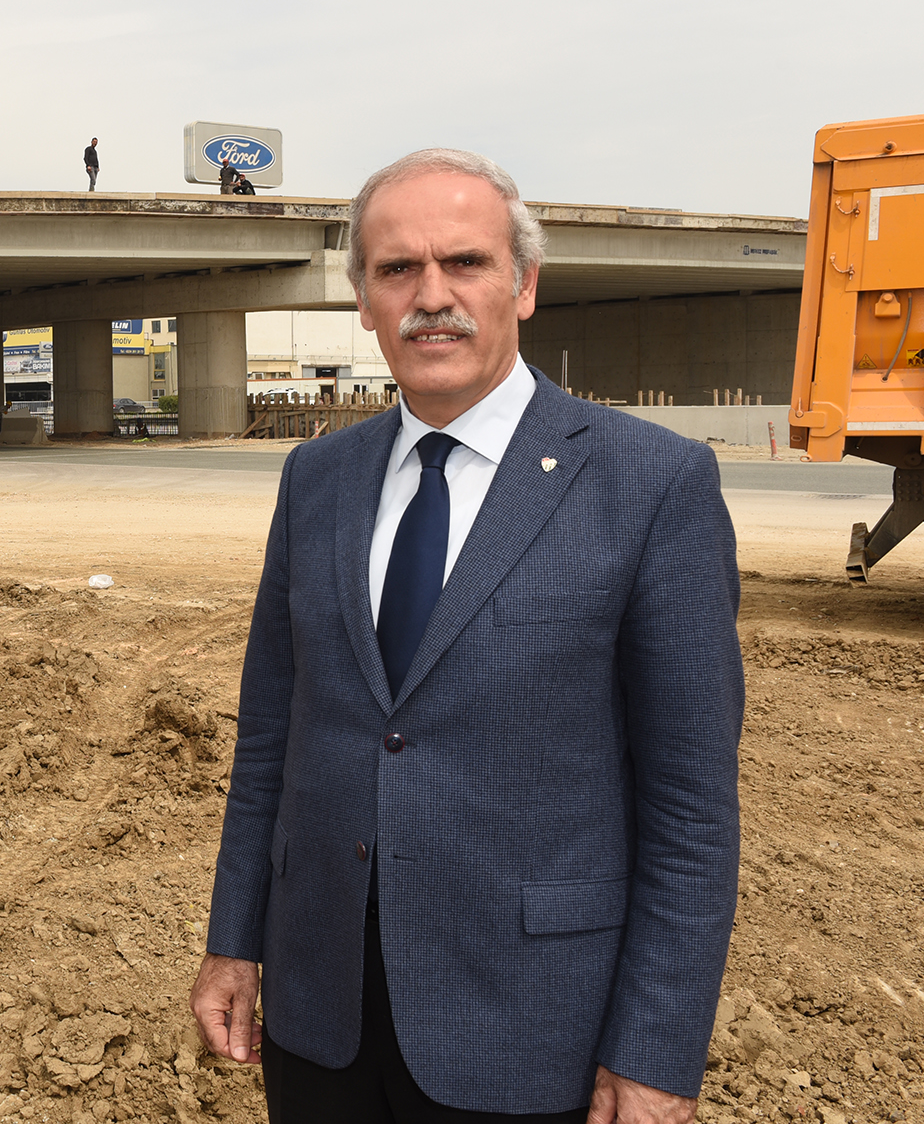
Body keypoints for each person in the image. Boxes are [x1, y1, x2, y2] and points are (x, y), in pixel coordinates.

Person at [189, 148, 741, 1124]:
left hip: (530, 1033)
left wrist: (655, 1048)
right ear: (363, 300)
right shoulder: (315, 481)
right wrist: (234, 939)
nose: (431, 296)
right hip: (320, 1020)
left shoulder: (652, 486)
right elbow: (269, 742)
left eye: (465, 262)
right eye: (397, 268)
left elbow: (689, 808)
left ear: (523, 285)